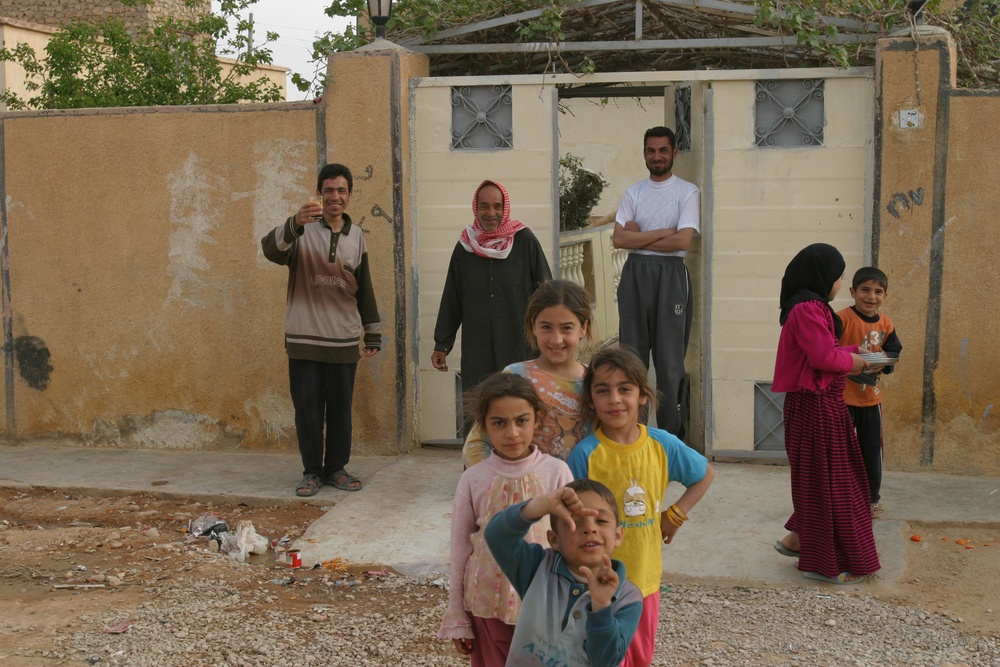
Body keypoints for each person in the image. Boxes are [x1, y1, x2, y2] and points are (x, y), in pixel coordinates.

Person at [567, 347, 714, 667]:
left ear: (643, 396)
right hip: (597, 581)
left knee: (638, 658)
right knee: (600, 657)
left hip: (645, 581)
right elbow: (572, 519)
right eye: (603, 391)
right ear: (590, 400)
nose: (615, 399)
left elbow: (704, 475)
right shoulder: (585, 455)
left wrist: (675, 515)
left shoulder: (662, 445)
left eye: (625, 389)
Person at [260, 163, 381, 498]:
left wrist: (372, 333)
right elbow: (270, 250)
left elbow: (365, 288)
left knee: (340, 410)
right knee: (309, 410)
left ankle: (336, 469)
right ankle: (312, 472)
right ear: (319, 193)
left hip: (343, 338)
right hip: (304, 339)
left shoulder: (356, 237)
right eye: (329, 190)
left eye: (341, 190)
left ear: (350, 195)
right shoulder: (301, 231)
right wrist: (294, 223)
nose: (335, 197)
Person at [438, 373, 574, 666]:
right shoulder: (473, 478)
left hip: (544, 604)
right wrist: (457, 615)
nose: (512, 432)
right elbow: (460, 548)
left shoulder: (558, 473)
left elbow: (571, 541)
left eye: (521, 420)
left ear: (537, 420)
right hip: (486, 604)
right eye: (499, 422)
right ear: (484, 426)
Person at [771, 243, 881, 585]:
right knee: (829, 481)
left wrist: (852, 351)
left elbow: (823, 350)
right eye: (839, 277)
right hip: (815, 406)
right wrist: (858, 362)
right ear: (824, 277)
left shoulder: (811, 307)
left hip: (823, 404)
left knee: (825, 478)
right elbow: (821, 359)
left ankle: (800, 540)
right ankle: (825, 562)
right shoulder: (807, 308)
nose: (839, 283)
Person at [484, 479, 643, 667]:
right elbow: (497, 536)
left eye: (601, 520)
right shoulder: (537, 567)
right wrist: (539, 505)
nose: (590, 529)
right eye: (575, 522)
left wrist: (601, 607)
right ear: (554, 539)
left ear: (618, 536)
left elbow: (605, 661)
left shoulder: (628, 598)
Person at [432, 180, 552, 418]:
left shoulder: (524, 240)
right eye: (484, 206)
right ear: (475, 208)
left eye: (497, 206)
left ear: (505, 208)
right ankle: (478, 456)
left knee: (520, 407)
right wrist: (442, 344)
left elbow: (546, 294)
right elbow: (452, 298)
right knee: (478, 408)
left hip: (519, 345)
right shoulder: (465, 246)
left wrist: (549, 339)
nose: (491, 213)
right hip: (477, 347)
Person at [612, 126, 700, 438]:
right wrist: (664, 232)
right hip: (635, 274)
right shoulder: (633, 193)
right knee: (632, 359)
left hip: (672, 276)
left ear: (674, 153)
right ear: (644, 153)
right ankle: (633, 432)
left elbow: (684, 241)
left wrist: (638, 237)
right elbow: (619, 239)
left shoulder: (687, 192)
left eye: (663, 150)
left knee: (669, 362)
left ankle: (670, 437)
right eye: (651, 150)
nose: (657, 156)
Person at [462, 279, 594, 468]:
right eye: (546, 327)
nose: (556, 340)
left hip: (582, 493)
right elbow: (476, 446)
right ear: (533, 326)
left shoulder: (597, 383)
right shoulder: (517, 376)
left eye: (566, 328)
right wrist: (504, 486)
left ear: (583, 328)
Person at [837, 267, 902, 519]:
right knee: (840, 451)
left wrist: (886, 360)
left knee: (872, 451)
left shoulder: (887, 323)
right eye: (865, 290)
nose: (871, 296)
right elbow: (828, 350)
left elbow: (894, 352)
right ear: (853, 292)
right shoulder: (841, 319)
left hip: (871, 399)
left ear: (885, 296)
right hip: (841, 399)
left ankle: (871, 500)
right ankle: (839, 499)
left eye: (878, 291)